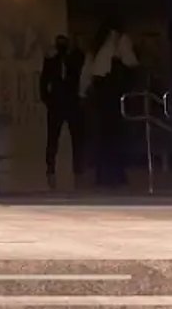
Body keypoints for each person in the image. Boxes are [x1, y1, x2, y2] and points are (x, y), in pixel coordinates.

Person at [81, 19, 139, 188]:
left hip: (100, 89)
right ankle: (115, 174)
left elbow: (88, 71)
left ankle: (103, 174)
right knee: (115, 135)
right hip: (110, 89)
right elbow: (131, 62)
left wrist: (83, 92)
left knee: (103, 134)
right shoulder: (119, 40)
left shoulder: (98, 44)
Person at [39, 34, 86, 188]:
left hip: (72, 102)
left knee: (77, 136)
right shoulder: (52, 60)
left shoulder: (75, 59)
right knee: (53, 136)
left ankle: (78, 166)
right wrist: (47, 99)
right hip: (57, 103)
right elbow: (44, 80)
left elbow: (79, 73)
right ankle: (50, 166)